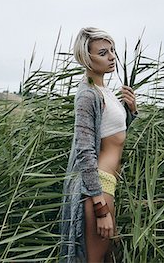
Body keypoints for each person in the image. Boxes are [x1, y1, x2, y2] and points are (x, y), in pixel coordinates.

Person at [60, 27, 138, 262]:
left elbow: (113, 135)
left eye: (112, 51)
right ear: (87, 58)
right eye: (103, 53)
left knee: (106, 256)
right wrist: (100, 208)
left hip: (107, 183)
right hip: (98, 187)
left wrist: (131, 111)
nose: (112, 57)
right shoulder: (87, 95)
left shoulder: (104, 90)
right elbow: (85, 151)